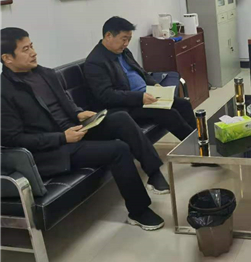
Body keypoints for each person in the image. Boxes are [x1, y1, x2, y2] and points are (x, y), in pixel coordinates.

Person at [1, 28, 167, 231]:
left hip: (75, 129)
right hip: (54, 150)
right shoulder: (4, 92)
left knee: (121, 118)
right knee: (119, 149)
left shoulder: (44, 73)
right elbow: (13, 139)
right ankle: (138, 211)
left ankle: (154, 172)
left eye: (32, 46)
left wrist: (79, 113)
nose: (33, 53)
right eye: (25, 49)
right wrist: (62, 138)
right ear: (7, 58)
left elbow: (64, 101)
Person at [84, 17, 197, 141]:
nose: (126, 44)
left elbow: (141, 72)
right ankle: (194, 146)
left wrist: (155, 85)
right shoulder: (95, 62)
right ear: (108, 36)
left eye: (129, 39)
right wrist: (139, 97)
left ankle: (200, 140)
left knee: (183, 104)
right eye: (124, 39)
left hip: (146, 96)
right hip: (127, 105)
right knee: (169, 114)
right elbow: (106, 95)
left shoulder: (124, 52)